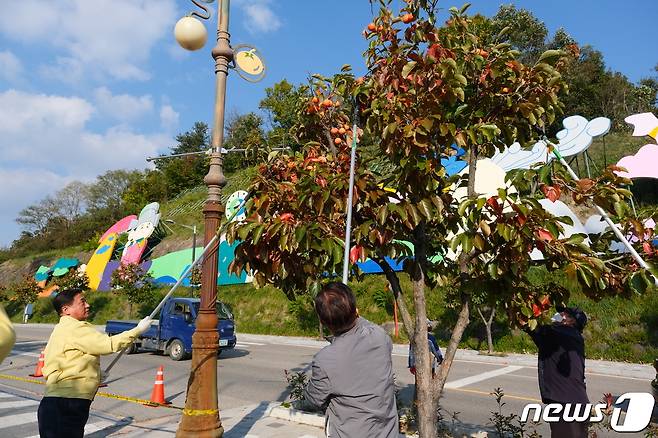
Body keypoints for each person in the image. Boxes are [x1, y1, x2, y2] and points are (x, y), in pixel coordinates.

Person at [38, 288, 152, 438]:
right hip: (66, 404)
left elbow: (69, 361)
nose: (88, 305)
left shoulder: (62, 329)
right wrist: (137, 330)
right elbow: (108, 344)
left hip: (59, 403)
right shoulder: (74, 328)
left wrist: (94, 375)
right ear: (66, 310)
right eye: (82, 302)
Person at [303, 282, 398, 438]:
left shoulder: (325, 360)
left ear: (323, 321)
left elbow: (313, 399)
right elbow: (364, 324)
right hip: (387, 432)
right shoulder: (380, 337)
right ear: (356, 311)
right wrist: (352, 312)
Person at [525, 304, 589, 438]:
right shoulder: (561, 338)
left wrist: (530, 313)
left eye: (566, 314)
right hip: (571, 401)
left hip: (566, 403)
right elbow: (535, 331)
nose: (560, 316)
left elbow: (539, 329)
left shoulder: (566, 334)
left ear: (572, 321)